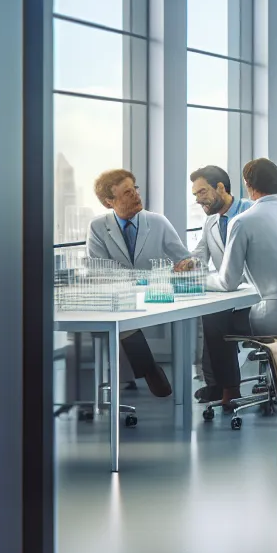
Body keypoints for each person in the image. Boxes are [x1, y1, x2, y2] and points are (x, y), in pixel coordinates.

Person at [198, 160, 277, 409]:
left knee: (215, 319)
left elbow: (228, 281)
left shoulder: (244, 220)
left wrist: (199, 281)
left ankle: (230, 391)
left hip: (271, 317)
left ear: (248, 186)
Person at [86, 168, 189, 397]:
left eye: (135, 190)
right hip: (119, 297)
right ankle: (149, 369)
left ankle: (150, 370)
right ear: (109, 202)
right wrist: (137, 279)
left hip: (156, 294)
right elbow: (99, 270)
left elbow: (182, 256)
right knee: (119, 317)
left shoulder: (157, 222)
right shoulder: (98, 227)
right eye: (127, 193)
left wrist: (186, 265)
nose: (136, 196)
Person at [184, 165, 249, 404]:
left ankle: (227, 387)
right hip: (228, 293)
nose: (198, 199)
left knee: (215, 319)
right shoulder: (210, 222)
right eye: (195, 195)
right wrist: (190, 264)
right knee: (212, 315)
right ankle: (218, 385)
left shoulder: (250, 213)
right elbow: (200, 255)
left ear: (220, 187)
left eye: (202, 192)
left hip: (254, 296)